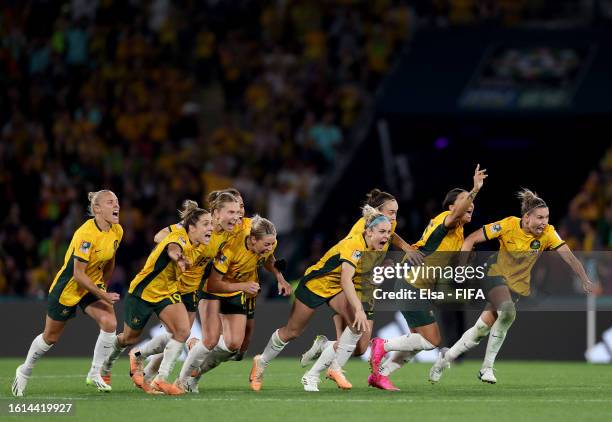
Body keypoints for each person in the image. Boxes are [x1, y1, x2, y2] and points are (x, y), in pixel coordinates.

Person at [429, 189, 594, 384]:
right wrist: (461, 268)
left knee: (480, 331)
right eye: (540, 217)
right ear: (526, 218)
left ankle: (445, 358)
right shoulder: (507, 225)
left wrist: (584, 278)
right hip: (493, 274)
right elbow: (471, 239)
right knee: (507, 311)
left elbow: (569, 256)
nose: (544, 222)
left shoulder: (548, 232)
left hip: (516, 286)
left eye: (547, 217)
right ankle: (487, 368)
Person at [249, 205, 392, 392]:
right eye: (382, 232)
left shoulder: (379, 245)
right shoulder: (354, 244)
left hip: (335, 289)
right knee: (292, 331)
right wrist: (358, 308)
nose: (386, 236)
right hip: (316, 285)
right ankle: (262, 362)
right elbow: (346, 279)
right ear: (369, 232)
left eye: (388, 232)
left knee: (357, 325)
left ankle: (332, 370)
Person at [369, 165, 487, 390]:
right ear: (453, 206)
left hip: (416, 285)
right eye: (464, 200)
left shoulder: (457, 231)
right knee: (432, 340)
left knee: (416, 343)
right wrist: (474, 189)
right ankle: (382, 344)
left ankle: (380, 375)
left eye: (471, 201)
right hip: (412, 283)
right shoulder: (447, 219)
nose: (470, 203)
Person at [300, 188, 424, 389]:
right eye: (390, 212)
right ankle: (314, 374)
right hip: (350, 286)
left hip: (366, 287)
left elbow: (392, 236)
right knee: (354, 332)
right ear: (375, 213)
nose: (394, 218)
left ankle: (323, 346)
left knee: (359, 348)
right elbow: (353, 266)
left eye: (396, 213)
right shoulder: (360, 231)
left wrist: (407, 248)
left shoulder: (386, 227)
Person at [12, 190, 123, 396]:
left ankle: (94, 373)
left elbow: (110, 258)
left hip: (93, 284)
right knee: (50, 338)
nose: (116, 205)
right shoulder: (85, 234)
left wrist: (103, 286)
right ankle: (24, 370)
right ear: (97, 209)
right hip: (70, 288)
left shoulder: (117, 230)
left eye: (117, 202)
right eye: (110, 202)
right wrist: (103, 294)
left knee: (110, 323)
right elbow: (78, 274)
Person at [101, 201, 212, 395]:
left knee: (182, 331)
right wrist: (178, 258)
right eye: (206, 224)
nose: (210, 228)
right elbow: (172, 248)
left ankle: (161, 379)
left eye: (211, 224)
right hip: (143, 292)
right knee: (129, 337)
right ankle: (107, 365)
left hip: (167, 292)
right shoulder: (180, 237)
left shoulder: (199, 244)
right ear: (192, 227)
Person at [176, 215, 289, 392]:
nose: (269, 248)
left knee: (235, 347)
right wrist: (244, 285)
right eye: (266, 244)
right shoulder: (230, 249)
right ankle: (183, 380)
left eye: (271, 244)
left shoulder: (268, 243)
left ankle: (195, 357)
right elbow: (214, 283)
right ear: (253, 239)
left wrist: (280, 278)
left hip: (236, 291)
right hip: (212, 291)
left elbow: (268, 259)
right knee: (211, 341)